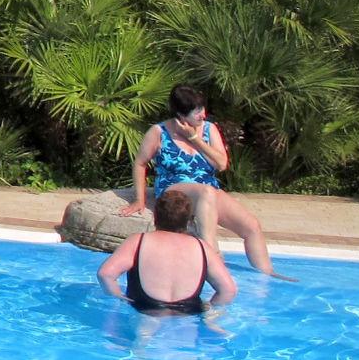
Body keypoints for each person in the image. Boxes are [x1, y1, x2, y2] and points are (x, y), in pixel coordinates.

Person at [120, 84, 284, 277]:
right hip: (174, 188)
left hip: (208, 190)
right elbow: (140, 163)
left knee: (251, 226)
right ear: (180, 115)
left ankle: (268, 276)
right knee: (205, 192)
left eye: (203, 109)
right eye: (196, 112)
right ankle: (211, 254)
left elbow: (221, 164)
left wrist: (195, 139)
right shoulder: (159, 132)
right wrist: (139, 200)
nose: (203, 115)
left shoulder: (209, 129)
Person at [98, 188, 237, 314]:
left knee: (143, 335)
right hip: (188, 312)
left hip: (146, 309)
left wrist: (121, 299)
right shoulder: (202, 247)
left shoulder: (137, 241)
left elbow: (105, 274)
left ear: (154, 217)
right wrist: (211, 311)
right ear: (189, 221)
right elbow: (228, 290)